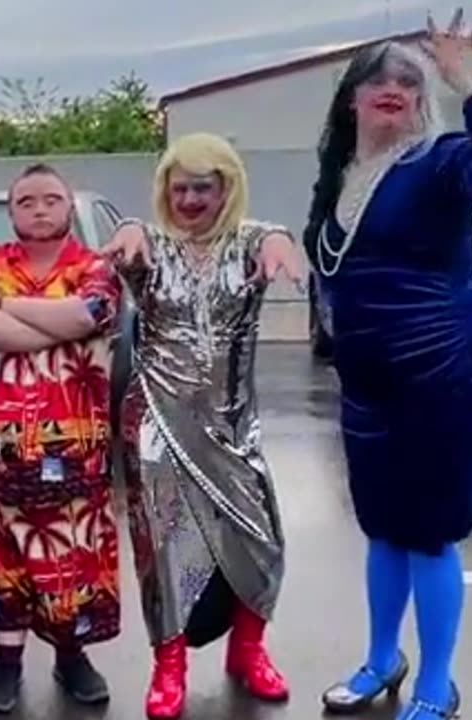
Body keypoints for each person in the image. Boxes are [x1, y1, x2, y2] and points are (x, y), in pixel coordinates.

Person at [300, 10, 472, 720]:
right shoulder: (342, 179)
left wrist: (465, 79)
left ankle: (438, 680)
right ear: (352, 98)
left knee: (431, 533)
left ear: (421, 98)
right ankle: (383, 658)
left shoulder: (439, 163)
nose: (392, 86)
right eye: (376, 78)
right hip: (369, 387)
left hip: (440, 380)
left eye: (407, 80)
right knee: (382, 527)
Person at [103, 133, 306, 719]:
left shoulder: (248, 243)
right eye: (181, 186)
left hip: (233, 426)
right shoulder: (152, 245)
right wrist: (133, 232)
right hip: (158, 425)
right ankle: (169, 667)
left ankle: (248, 652)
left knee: (261, 542)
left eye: (204, 187)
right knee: (164, 552)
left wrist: (278, 240)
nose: (190, 198)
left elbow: (275, 236)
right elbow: (130, 241)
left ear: (227, 189)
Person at [0, 163, 124, 714]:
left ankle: (71, 657)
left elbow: (92, 312)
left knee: (71, 559)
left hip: (73, 450)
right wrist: (60, 323)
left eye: (51, 199)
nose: (40, 209)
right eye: (26, 201)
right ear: (11, 212)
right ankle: (5, 665)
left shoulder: (94, 266)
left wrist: (9, 308)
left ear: (68, 206)